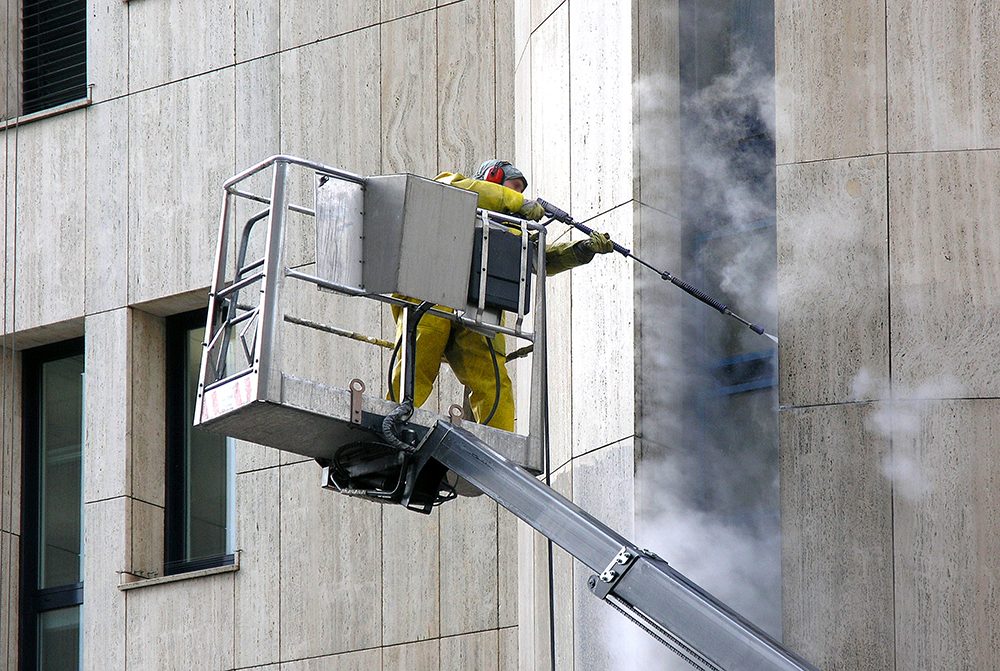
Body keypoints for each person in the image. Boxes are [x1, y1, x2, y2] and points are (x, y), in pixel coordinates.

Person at [388, 159, 614, 432]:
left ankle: (499, 443)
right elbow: (447, 185)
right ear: (491, 179)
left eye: (520, 191)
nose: (518, 195)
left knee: (494, 383)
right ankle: (391, 418)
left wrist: (581, 250)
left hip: (479, 308)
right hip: (431, 295)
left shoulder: (511, 231)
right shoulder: (456, 191)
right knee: (416, 365)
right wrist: (515, 203)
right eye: (513, 187)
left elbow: (539, 260)